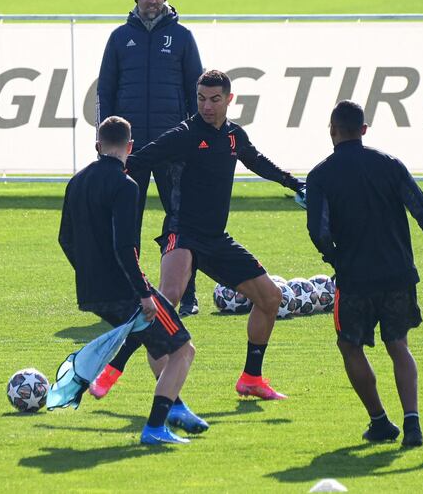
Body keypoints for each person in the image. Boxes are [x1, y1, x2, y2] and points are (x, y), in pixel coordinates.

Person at [127, 70, 305, 400]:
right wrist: (105, 175)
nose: (206, 106)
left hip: (216, 239)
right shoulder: (184, 134)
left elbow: (258, 162)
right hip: (182, 234)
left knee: (270, 298)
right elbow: (140, 159)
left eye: (214, 99)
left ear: (228, 100)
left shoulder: (235, 136)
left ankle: (252, 378)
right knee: (167, 303)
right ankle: (168, 396)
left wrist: (295, 184)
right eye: (201, 99)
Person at [306, 100, 423, 447]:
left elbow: (318, 230)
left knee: (349, 346)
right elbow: (422, 210)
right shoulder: (390, 165)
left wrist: (334, 257)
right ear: (363, 130)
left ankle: (379, 420)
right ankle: (413, 424)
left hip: (355, 280)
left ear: (332, 130)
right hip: (398, 276)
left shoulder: (320, 176)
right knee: (399, 346)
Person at [92, 0, 203, 399]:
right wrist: (107, 136)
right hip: (131, 149)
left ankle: (185, 294)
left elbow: (197, 88)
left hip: (173, 145)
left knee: (179, 221)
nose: (151, 1)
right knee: (127, 223)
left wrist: (192, 136)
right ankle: (128, 292)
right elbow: (107, 90)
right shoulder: (120, 38)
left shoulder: (184, 36)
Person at [59, 116, 199, 444]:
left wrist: (89, 273)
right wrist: (143, 293)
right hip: (127, 290)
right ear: (130, 147)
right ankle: (155, 427)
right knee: (183, 349)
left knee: (158, 345)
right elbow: (126, 247)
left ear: (97, 146)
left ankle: (175, 407)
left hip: (92, 291)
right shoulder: (126, 185)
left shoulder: (75, 182)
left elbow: (65, 239)